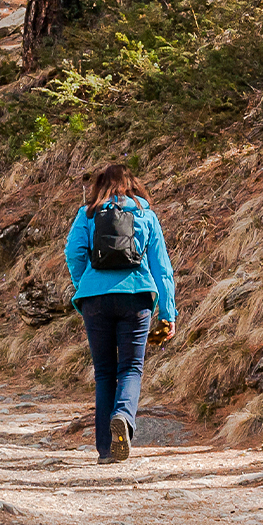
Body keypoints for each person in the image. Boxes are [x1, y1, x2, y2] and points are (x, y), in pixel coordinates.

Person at [65, 164, 177, 464]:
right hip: (136, 297)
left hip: (95, 300)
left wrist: (84, 284)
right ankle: (123, 417)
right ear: (132, 184)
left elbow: (73, 252)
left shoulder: (87, 213)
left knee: (104, 374)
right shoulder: (145, 215)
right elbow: (162, 269)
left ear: (100, 186)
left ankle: (105, 450)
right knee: (130, 368)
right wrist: (168, 313)